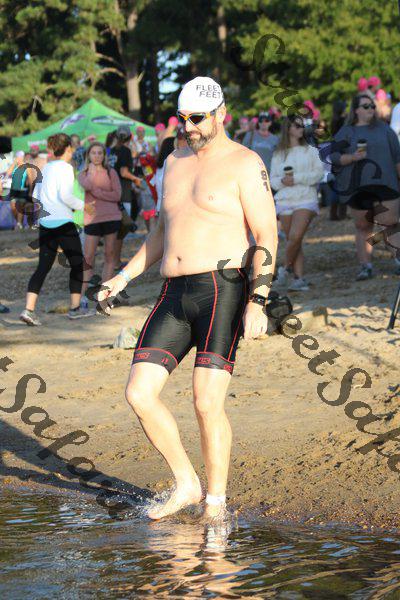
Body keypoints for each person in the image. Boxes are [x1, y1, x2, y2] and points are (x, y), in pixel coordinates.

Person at [97, 76, 277, 521]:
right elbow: (162, 231)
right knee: (139, 393)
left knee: (205, 402)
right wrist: (122, 277)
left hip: (223, 290)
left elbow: (266, 234)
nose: (189, 126)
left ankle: (215, 504)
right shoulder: (174, 162)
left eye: (198, 118)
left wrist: (258, 300)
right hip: (173, 293)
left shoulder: (245, 162)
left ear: (221, 115)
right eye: (183, 118)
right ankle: (186, 483)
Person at [20, 133, 95, 326]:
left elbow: (35, 195)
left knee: (42, 267)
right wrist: (84, 206)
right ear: (68, 148)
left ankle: (28, 310)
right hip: (63, 222)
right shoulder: (66, 168)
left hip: (46, 223)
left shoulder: (45, 167)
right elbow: (66, 196)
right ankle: (75, 309)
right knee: (77, 264)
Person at [331, 93, 400, 280]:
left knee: (390, 223)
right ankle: (366, 266)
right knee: (363, 226)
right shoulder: (347, 131)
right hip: (358, 186)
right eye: (366, 106)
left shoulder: (385, 129)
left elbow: (397, 158)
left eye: (372, 106)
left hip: (386, 183)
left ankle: (398, 260)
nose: (371, 109)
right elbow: (333, 157)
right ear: (356, 110)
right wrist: (352, 157)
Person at [270, 115, 324, 291]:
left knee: (295, 236)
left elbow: (318, 174)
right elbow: (272, 180)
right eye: (297, 125)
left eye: (303, 125)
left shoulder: (311, 151)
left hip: (306, 198)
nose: (302, 128)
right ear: (288, 129)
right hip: (285, 199)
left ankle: (283, 269)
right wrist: (283, 181)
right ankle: (299, 279)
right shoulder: (278, 154)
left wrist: (297, 179)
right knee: (295, 241)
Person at [78, 142, 122, 298]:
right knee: (88, 257)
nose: (97, 156)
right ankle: (83, 295)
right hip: (92, 219)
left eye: (100, 153)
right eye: (93, 153)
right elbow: (86, 186)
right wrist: (91, 172)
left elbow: (117, 195)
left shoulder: (111, 172)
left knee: (109, 255)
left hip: (111, 217)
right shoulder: (83, 173)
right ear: (88, 155)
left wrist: (97, 193)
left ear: (104, 155)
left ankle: (104, 294)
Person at [109, 125, 142, 270]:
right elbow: (123, 172)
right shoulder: (125, 151)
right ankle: (115, 262)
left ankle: (112, 261)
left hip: (112, 193)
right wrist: (136, 179)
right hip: (123, 193)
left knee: (116, 231)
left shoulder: (112, 151)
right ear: (130, 137)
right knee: (121, 231)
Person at [8, 151, 35, 230]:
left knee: (20, 207)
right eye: (18, 157)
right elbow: (8, 173)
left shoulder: (26, 167)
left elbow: (31, 180)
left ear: (22, 157)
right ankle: (19, 222)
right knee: (13, 208)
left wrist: (30, 191)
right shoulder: (14, 166)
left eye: (20, 157)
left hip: (22, 190)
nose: (19, 158)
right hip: (13, 190)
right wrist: (14, 163)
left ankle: (19, 223)